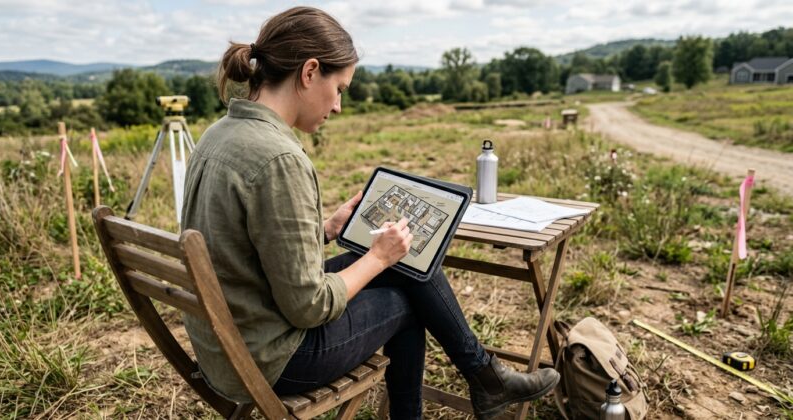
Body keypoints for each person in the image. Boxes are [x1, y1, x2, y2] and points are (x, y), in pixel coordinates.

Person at [181, 6, 560, 419]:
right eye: (339, 88)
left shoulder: (219, 133)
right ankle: (484, 381)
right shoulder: (279, 158)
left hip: (224, 345)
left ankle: (487, 379)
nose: (339, 105)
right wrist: (378, 257)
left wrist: (326, 228)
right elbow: (308, 307)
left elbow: (244, 243)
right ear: (309, 72)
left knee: (406, 265)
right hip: (271, 360)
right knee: (406, 292)